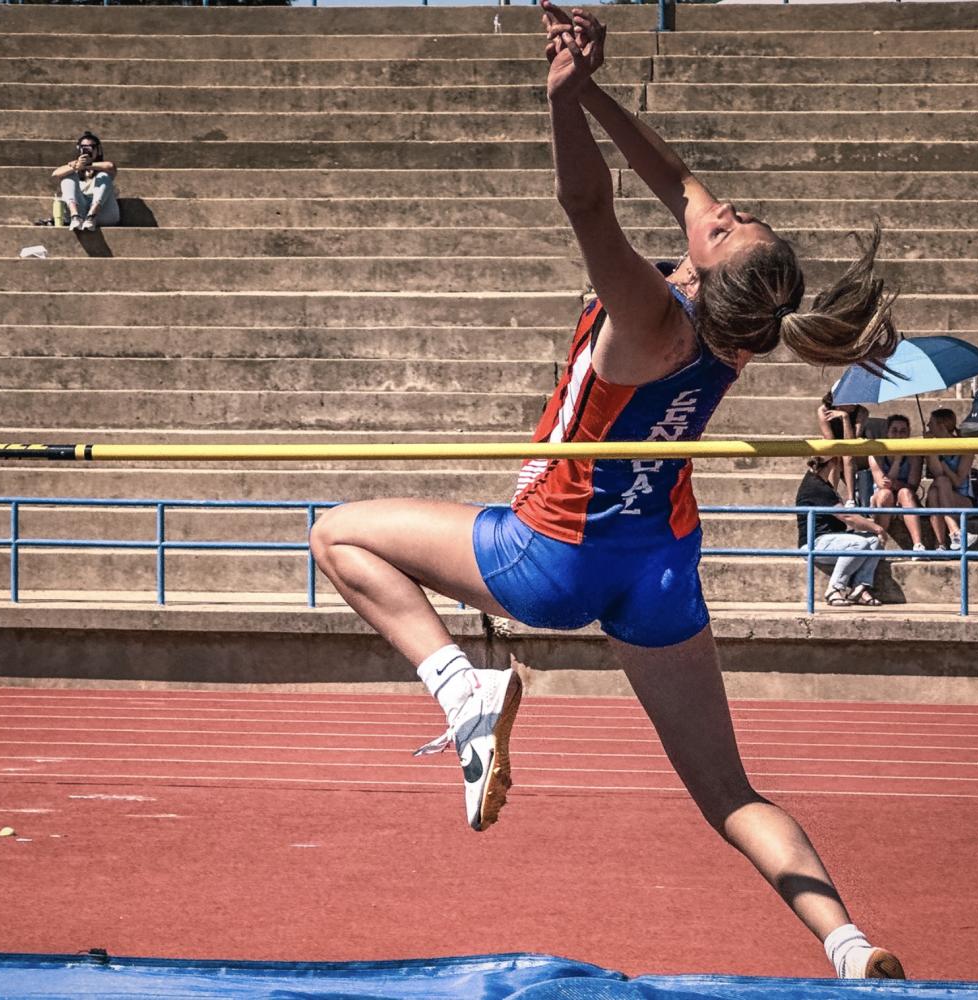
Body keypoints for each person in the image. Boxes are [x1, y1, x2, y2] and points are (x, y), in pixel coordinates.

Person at [309, 4, 905, 980]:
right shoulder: (734, 332)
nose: (714, 205)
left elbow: (590, 207)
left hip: (552, 558)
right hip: (659, 573)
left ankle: (465, 696)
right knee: (726, 792)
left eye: (725, 221)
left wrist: (559, 105)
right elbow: (671, 176)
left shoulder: (652, 320)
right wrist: (589, 87)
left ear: (713, 263)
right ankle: (848, 945)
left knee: (337, 536)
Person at [796, 455, 888, 606]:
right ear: (833, 463)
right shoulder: (815, 486)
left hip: (832, 538)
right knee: (859, 544)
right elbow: (847, 517)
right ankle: (834, 589)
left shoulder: (823, 483)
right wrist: (878, 528)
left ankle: (860, 588)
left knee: (873, 542)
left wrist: (874, 531)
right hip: (815, 543)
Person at [921, 408, 978, 551]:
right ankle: (953, 534)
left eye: (931, 422)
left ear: (941, 425)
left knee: (941, 484)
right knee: (938, 488)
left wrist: (944, 465)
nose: (928, 425)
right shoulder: (933, 446)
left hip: (963, 500)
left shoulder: (965, 447)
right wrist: (931, 450)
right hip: (942, 494)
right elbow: (937, 472)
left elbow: (958, 481)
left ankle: (941, 543)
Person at [868, 413, 926, 551]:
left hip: (904, 499)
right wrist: (898, 461)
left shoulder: (914, 455)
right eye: (894, 431)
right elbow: (883, 484)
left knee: (905, 492)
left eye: (903, 431)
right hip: (882, 499)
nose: (898, 435)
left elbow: (912, 485)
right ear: (887, 432)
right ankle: (879, 544)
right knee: (885, 494)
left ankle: (918, 545)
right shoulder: (875, 454)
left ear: (909, 433)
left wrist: (895, 483)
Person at [51, 131, 118, 232]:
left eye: (91, 147)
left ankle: (91, 216)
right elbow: (55, 174)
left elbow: (111, 166)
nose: (87, 150)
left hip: (103, 213)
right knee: (68, 177)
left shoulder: (104, 168)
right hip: (80, 212)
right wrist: (75, 167)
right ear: (79, 149)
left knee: (103, 175)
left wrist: (87, 164)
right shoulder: (74, 166)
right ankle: (75, 216)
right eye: (84, 147)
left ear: (98, 150)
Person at [815, 392, 868, 502]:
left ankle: (851, 499)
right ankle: (831, 497)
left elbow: (851, 443)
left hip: (856, 452)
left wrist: (845, 417)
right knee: (835, 456)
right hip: (836, 450)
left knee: (847, 455)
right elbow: (830, 440)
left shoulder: (862, 412)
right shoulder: (823, 411)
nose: (855, 403)